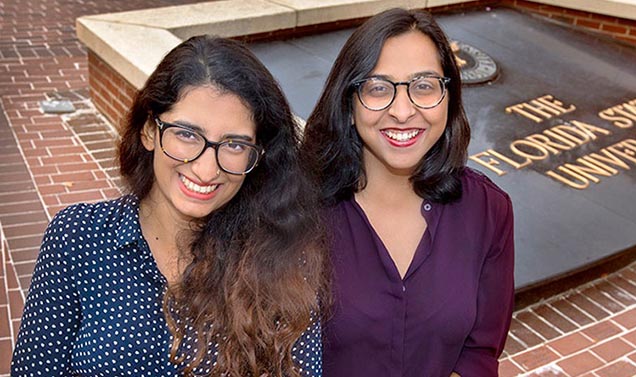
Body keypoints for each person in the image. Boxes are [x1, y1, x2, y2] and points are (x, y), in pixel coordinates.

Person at [12, 36, 326, 377]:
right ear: (149, 130)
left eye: (234, 144)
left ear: (259, 155)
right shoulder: (77, 238)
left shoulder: (284, 257)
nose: (207, 169)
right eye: (187, 135)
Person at [302, 8, 514, 377]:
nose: (403, 111)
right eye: (379, 88)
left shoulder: (488, 210)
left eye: (424, 86)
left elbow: (479, 353)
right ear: (349, 104)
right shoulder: (300, 211)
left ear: (449, 97)